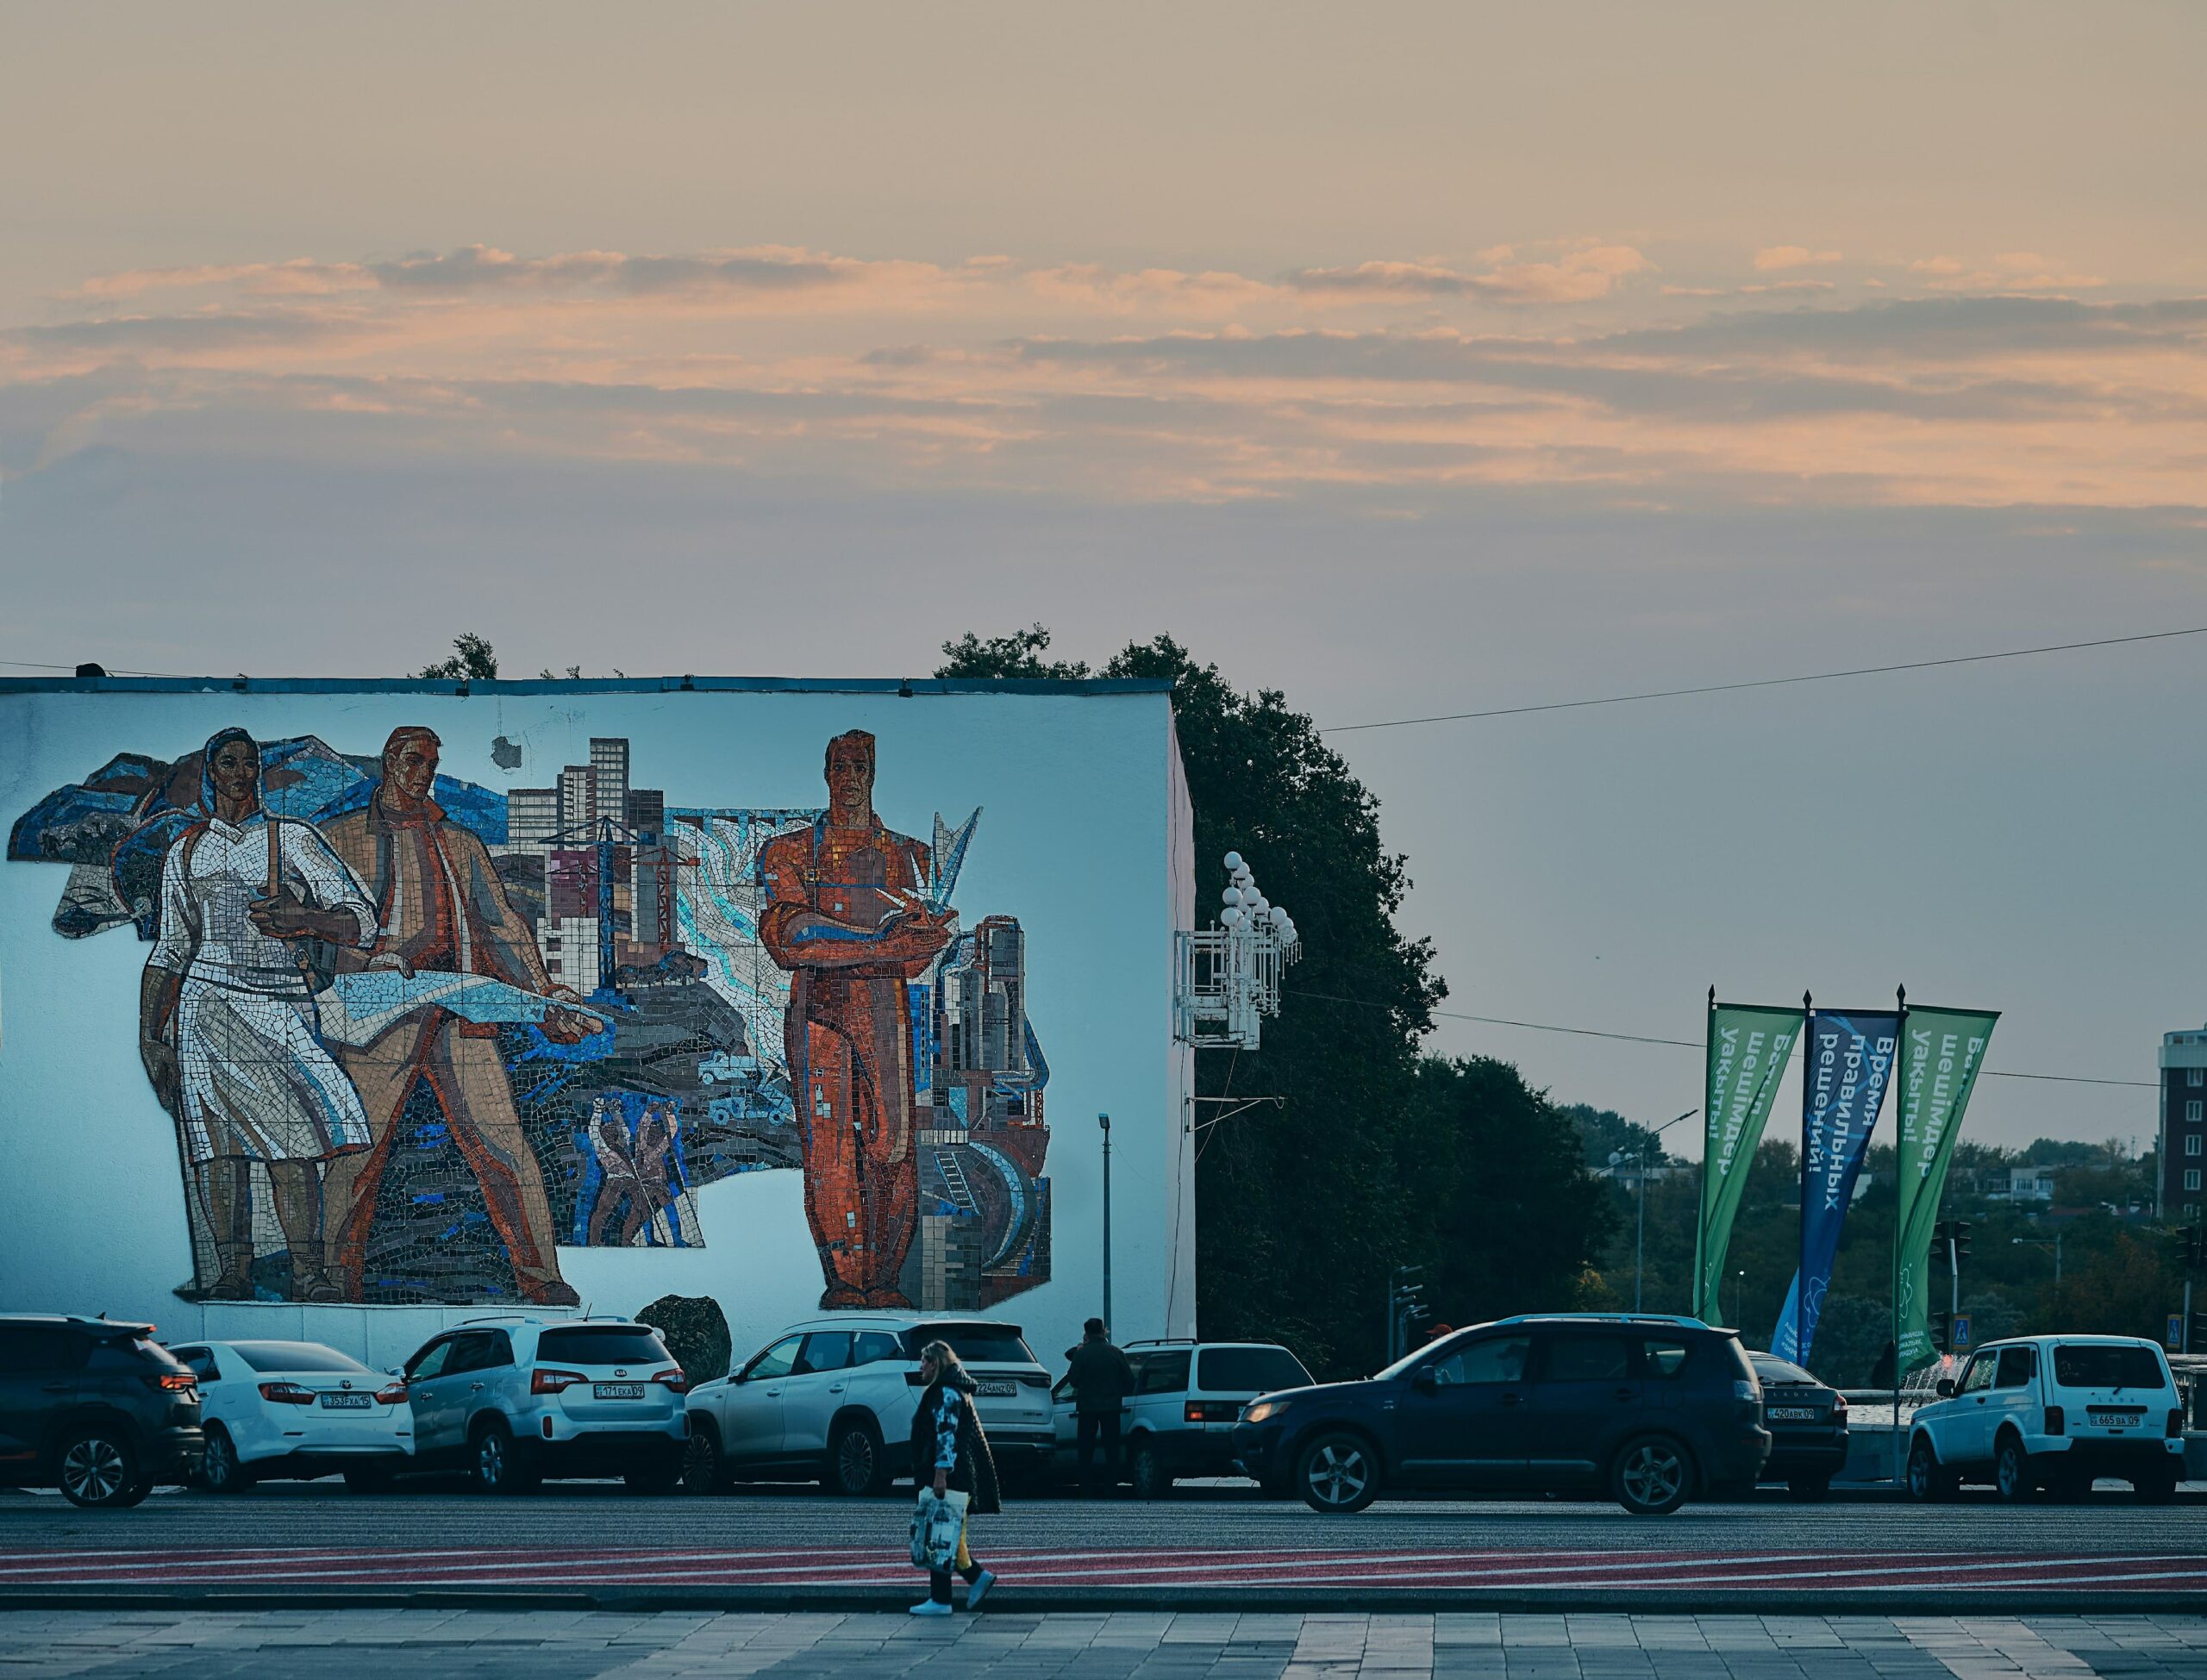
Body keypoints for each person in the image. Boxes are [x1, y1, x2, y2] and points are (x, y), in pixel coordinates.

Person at [316, 726, 601, 1303]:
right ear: (388, 761)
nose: (423, 773)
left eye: (431, 764)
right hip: (381, 1014)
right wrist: (353, 969)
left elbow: (502, 926)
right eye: (413, 760)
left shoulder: (459, 842)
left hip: (457, 1009)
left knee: (505, 1144)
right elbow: (313, 926)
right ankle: (331, 1280)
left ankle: (543, 1279)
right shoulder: (339, 838)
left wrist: (543, 994)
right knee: (356, 1153)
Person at [137, 727, 380, 1301]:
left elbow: (362, 920)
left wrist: (306, 920)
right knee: (219, 1154)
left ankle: (308, 1274)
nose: (241, 773)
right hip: (205, 1010)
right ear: (211, 771)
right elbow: (171, 950)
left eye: (250, 762)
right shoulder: (187, 851)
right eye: (229, 762)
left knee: (292, 1151)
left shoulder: (291, 838)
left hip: (279, 1007)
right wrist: (151, 1036)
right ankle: (232, 1273)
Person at [759, 730, 955, 1308]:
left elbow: (916, 955)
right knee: (830, 1153)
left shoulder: (911, 858)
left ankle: (885, 1281)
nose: (849, 777)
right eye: (840, 765)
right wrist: (883, 944)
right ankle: (845, 1282)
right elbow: (794, 940)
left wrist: (910, 944)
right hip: (819, 1014)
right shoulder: (790, 852)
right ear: (827, 773)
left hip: (884, 1014)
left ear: (873, 773)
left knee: (893, 1148)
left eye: (860, 766)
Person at [908, 1339, 1000, 1615]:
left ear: (935, 1363)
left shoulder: (946, 1393)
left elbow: (945, 1435)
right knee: (948, 1534)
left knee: (939, 1533)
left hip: (950, 1476)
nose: (920, 1366)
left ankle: (942, 1599)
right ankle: (975, 1578)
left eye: (924, 1361)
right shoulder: (955, 1390)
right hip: (958, 1475)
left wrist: (941, 1475)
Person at [1063, 1317, 1136, 1494]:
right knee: (1112, 1447)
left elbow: (1073, 1380)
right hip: (1111, 1406)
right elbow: (1129, 1380)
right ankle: (1111, 1486)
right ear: (1103, 1330)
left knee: (1086, 1447)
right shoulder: (1116, 1353)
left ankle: (1086, 1486)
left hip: (1087, 1407)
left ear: (1086, 1332)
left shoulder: (1081, 1354)